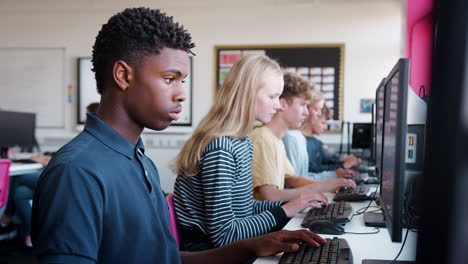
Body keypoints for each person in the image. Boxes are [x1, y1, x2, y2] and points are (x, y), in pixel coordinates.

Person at [31, 7, 325, 264]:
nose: (182, 94)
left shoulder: (139, 161)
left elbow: (165, 258)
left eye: (182, 81)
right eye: (169, 79)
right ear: (123, 75)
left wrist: (251, 245)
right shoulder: (77, 172)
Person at [173, 55, 326, 252]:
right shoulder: (221, 148)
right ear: (247, 94)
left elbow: (243, 209)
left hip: (228, 248)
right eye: (272, 97)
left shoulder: (242, 142)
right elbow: (225, 235)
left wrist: (293, 204)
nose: (279, 105)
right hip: (212, 253)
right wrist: (286, 210)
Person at [250, 72, 356, 203]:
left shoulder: (276, 140)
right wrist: (317, 190)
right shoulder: (262, 138)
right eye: (302, 105)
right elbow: (270, 196)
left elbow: (294, 179)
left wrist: (329, 184)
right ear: (283, 104)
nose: (306, 112)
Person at [0, 155, 50, 247]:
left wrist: (47, 161)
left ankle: (8, 215)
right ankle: (32, 232)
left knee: (19, 177)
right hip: (53, 172)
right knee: (20, 192)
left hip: (58, 178)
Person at [302, 105, 361, 174]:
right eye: (323, 123)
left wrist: (342, 161)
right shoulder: (302, 142)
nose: (326, 127)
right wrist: (343, 166)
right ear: (312, 119)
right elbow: (313, 169)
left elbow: (325, 160)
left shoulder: (316, 142)